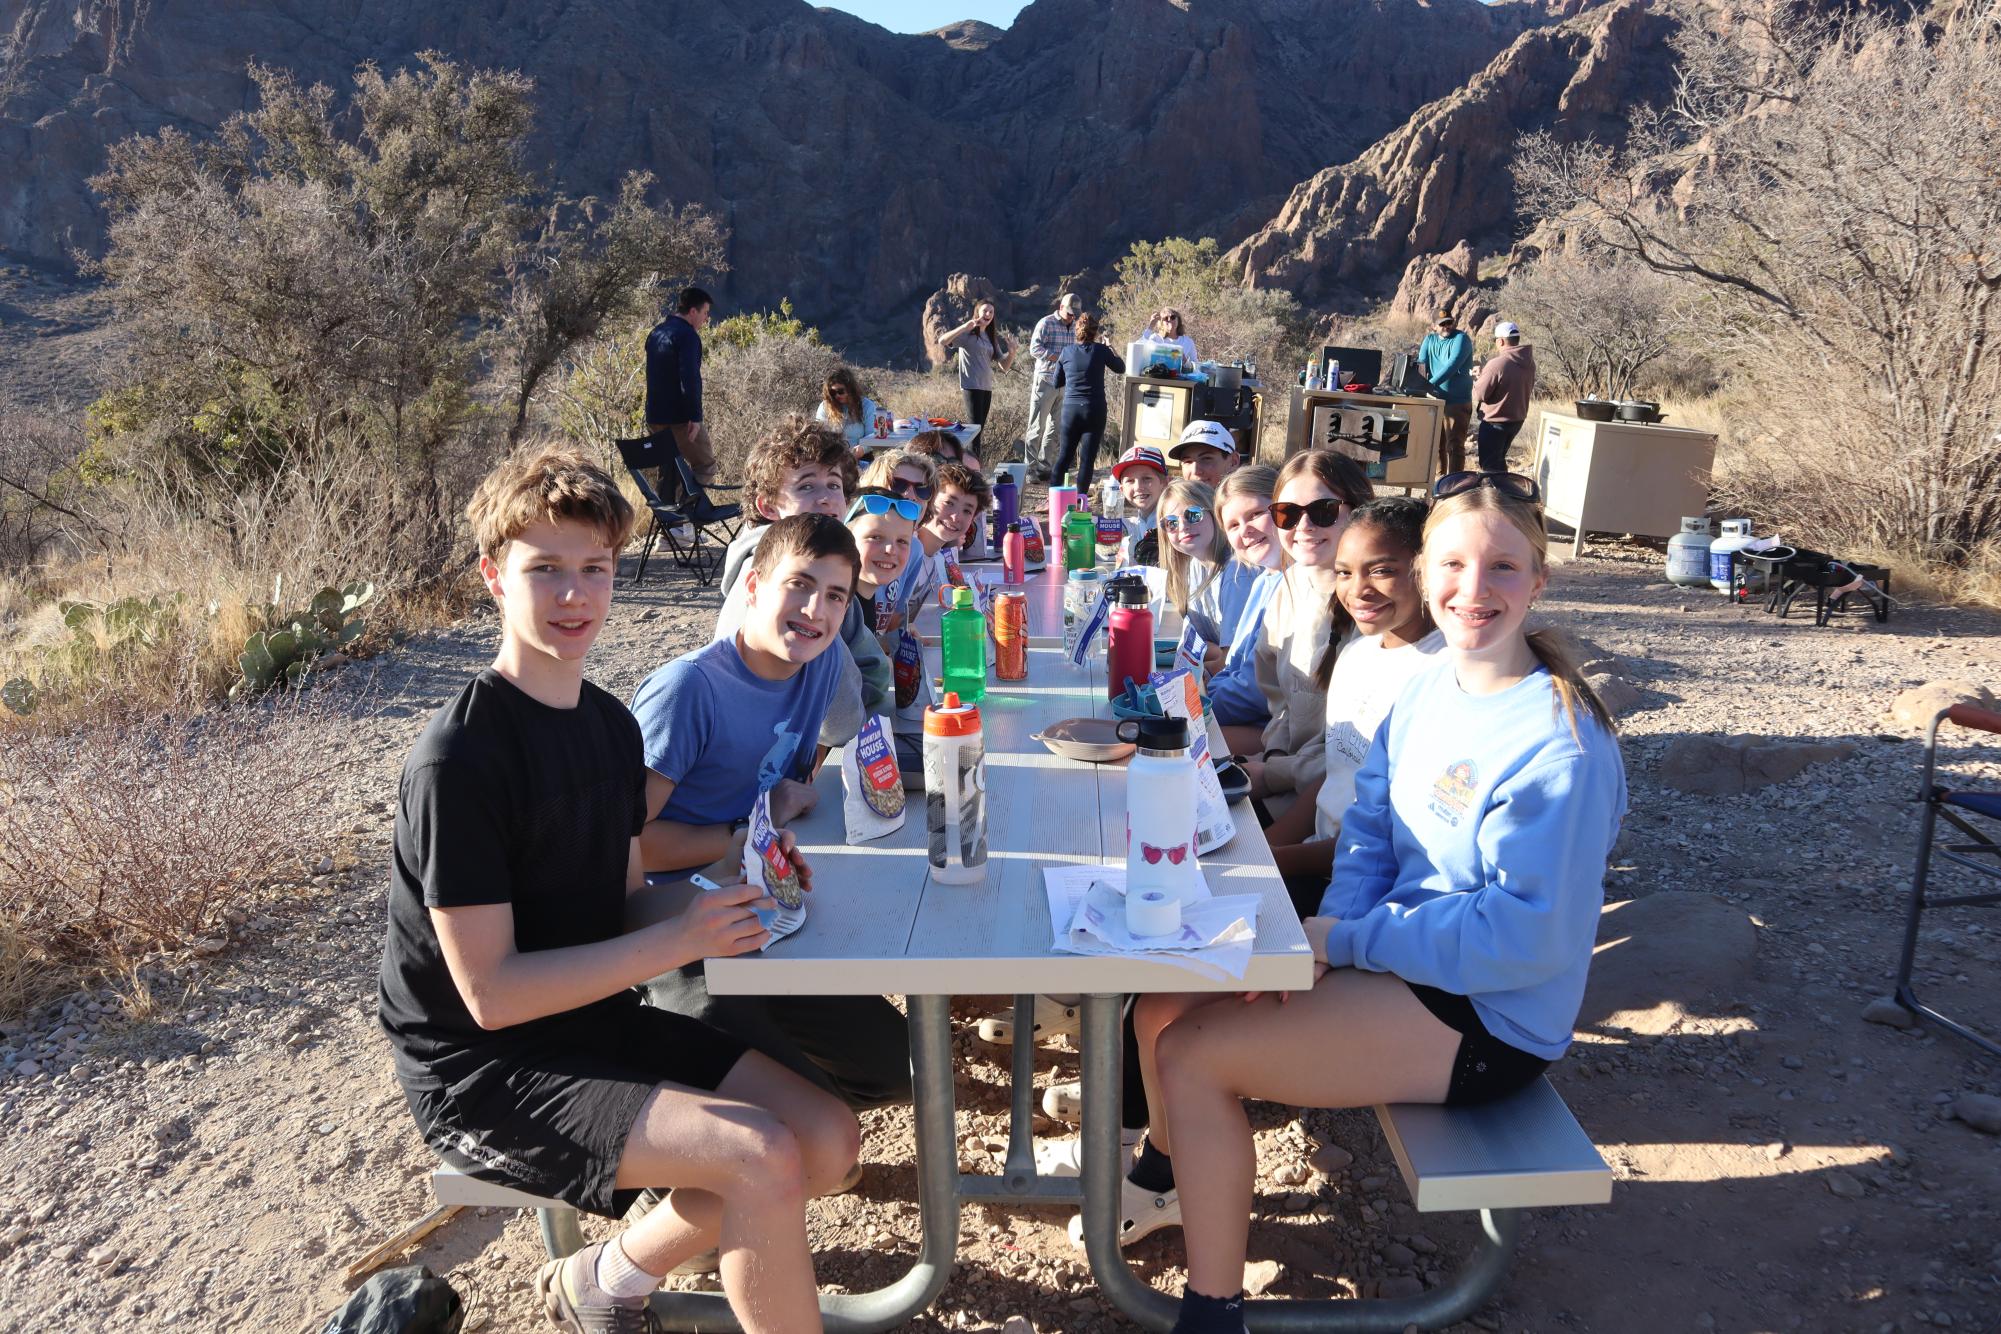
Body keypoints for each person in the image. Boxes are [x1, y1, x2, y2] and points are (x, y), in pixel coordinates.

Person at [1114, 474, 1627, 1325]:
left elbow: (1522, 937)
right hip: (1392, 952)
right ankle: (1165, 1182)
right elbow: (1370, 828)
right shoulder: (1430, 684)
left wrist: (1348, 947)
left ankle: (1212, 1313)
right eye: (1455, 564)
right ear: (1428, 572)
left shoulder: (1558, 750)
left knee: (1192, 1057)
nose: (1473, 589)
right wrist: (1333, 928)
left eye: (1503, 568)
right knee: (1161, 1005)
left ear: (1538, 580)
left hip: (1485, 1010)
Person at [380, 448, 857, 1334]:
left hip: (592, 1016)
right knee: (757, 1154)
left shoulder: (605, 725)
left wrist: (739, 904)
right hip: (486, 1070)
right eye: (546, 570)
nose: (575, 596)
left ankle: (606, 1275)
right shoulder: (460, 760)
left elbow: (625, 898)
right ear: (494, 577)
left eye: (594, 569)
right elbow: (490, 997)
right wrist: (678, 943)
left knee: (827, 1141)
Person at [633, 513, 913, 1114]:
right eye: (799, 585)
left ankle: (776, 1107)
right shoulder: (687, 691)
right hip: (674, 927)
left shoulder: (818, 665)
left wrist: (774, 813)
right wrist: (732, 840)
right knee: (784, 1123)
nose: (815, 609)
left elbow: (819, 752)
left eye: (835, 595)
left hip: (766, 902)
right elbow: (626, 846)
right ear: (754, 587)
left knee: (900, 1069)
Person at [1260, 497, 1445, 914]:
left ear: (1425, 571)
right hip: (1316, 861)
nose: (1358, 589)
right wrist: (1265, 847)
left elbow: (1390, 839)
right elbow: (1335, 776)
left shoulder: (1441, 675)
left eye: (1381, 571)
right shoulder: (1356, 655)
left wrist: (1274, 862)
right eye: (1344, 572)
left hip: (1370, 892)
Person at [712, 416, 883, 746]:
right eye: (806, 486)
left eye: (834, 485)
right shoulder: (774, 579)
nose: (825, 497)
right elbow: (840, 724)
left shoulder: (830, 563)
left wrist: (874, 717)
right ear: (769, 506)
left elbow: (868, 656)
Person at [1244, 450, 1376, 819]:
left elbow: (1353, 754)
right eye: (1287, 513)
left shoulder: (1375, 611)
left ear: (1358, 512)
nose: (1303, 527)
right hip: (1281, 776)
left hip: (1331, 807)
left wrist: (1272, 774)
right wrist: (1271, 759)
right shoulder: (1290, 583)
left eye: (1323, 511)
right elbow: (1279, 702)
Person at [1208, 465, 1284, 740]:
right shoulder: (1264, 580)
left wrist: (1205, 703)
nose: (1245, 531)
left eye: (1255, 514)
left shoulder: (1293, 586)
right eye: (1233, 525)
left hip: (1273, 731)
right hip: (1242, 714)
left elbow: (1256, 690)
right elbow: (1234, 664)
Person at [1157, 479, 1259, 668]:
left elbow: (1231, 661)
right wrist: (1212, 651)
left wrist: (1213, 653)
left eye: (1193, 515)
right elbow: (1198, 643)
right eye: (1171, 523)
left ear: (1215, 515)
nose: (1183, 526)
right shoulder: (1193, 567)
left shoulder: (1237, 575)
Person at [645, 287, 719, 485]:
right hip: (679, 419)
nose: (706, 318)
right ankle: (690, 509)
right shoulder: (688, 336)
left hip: (654, 417)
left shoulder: (656, 333)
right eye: (705, 313)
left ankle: (670, 512)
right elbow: (690, 378)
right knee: (706, 465)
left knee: (669, 467)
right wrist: (695, 417)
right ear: (693, 312)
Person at [1052, 313, 1127, 495]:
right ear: (1095, 333)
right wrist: (1110, 346)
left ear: (1077, 331)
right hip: (1094, 409)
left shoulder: (1066, 352)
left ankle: (1053, 500)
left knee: (1064, 457)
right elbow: (1121, 368)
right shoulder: (1101, 350)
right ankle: (1080, 502)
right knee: (1087, 460)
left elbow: (1056, 382)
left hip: (1071, 410)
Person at [940, 300, 1013, 461]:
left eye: (991, 312)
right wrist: (964, 328)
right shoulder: (967, 334)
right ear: (977, 312)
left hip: (986, 388)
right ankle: (972, 468)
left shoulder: (990, 337)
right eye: (985, 311)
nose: (988, 314)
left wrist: (1012, 352)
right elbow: (942, 341)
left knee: (979, 429)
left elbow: (1004, 366)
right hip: (971, 386)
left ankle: (972, 466)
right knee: (974, 431)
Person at [1024, 292, 1083, 481]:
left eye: (1075, 314)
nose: (1072, 317)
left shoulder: (1076, 326)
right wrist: (1057, 357)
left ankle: (1045, 465)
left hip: (1066, 383)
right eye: (1069, 313)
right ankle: (1030, 469)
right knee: (1037, 426)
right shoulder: (1046, 323)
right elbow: (1034, 348)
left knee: (1054, 428)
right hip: (1046, 381)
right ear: (1061, 308)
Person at [1471, 321, 1537, 474]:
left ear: (1500, 341)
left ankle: (1497, 495)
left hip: (1495, 423)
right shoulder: (1529, 362)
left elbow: (1479, 394)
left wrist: (1477, 380)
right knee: (1498, 462)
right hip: (1516, 421)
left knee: (1489, 467)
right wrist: (1485, 375)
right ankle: (1505, 492)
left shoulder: (1497, 364)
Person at [1417, 309, 1475, 477]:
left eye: (1449, 322)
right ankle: (1440, 482)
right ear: (1434, 326)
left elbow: (1452, 365)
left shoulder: (1461, 339)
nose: (1447, 326)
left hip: (1457, 401)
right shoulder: (1429, 339)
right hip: (1435, 400)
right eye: (1442, 324)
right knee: (1435, 445)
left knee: (1455, 445)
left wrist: (1429, 384)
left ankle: (1455, 484)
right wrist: (1419, 384)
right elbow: (1422, 364)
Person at [1109, 443, 1169, 565]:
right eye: (1130, 481)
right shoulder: (1138, 522)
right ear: (1122, 489)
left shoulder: (1172, 522)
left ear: (1165, 483)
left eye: (1147, 478)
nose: (1138, 487)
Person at [813, 367, 885, 461]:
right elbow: (820, 435)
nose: (837, 395)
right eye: (832, 392)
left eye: (840, 391)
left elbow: (875, 435)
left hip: (861, 457)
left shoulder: (867, 406)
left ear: (850, 389)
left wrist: (862, 449)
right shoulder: (824, 407)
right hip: (833, 458)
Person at [1169, 419, 1239, 490]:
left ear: (1233, 462)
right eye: (1188, 461)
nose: (1195, 471)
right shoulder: (1171, 499)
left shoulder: (1248, 500)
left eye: (1206, 458)